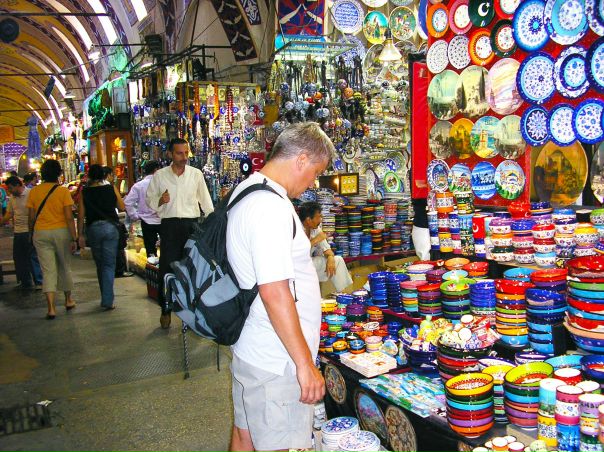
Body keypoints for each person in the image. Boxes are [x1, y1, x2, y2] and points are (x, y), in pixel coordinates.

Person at [226, 122, 333, 452]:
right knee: (276, 444)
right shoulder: (270, 207)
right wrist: (304, 364)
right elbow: (274, 291)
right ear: (301, 160)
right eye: (315, 172)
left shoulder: (247, 191)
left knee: (245, 436)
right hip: (277, 358)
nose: (312, 182)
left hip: (253, 347)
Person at [146, 138, 214, 329]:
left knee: (193, 269)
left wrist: (211, 224)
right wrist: (161, 200)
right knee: (167, 268)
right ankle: (166, 308)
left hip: (191, 226)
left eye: (186, 153)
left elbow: (206, 202)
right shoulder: (160, 176)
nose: (184, 157)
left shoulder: (195, 174)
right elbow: (150, 200)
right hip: (169, 226)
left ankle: (194, 312)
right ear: (170, 154)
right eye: (179, 153)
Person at [27, 160, 77, 319]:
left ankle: (51, 308)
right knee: (64, 266)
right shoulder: (63, 191)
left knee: (48, 270)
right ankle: (68, 300)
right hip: (61, 232)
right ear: (58, 173)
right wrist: (74, 237)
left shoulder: (34, 192)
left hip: (41, 233)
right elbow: (69, 217)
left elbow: (31, 217)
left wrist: (31, 233)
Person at [77, 164, 125, 310]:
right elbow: (122, 206)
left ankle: (105, 296)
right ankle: (107, 300)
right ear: (104, 175)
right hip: (110, 228)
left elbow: (81, 215)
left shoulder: (85, 192)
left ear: (89, 176)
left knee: (100, 264)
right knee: (109, 264)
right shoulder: (110, 188)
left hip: (93, 229)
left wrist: (80, 235)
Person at [298, 201, 353, 292]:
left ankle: (344, 293)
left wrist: (330, 258)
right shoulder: (296, 230)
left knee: (337, 260)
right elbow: (297, 252)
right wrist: (315, 240)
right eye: (319, 217)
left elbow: (327, 249)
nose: (321, 220)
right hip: (296, 268)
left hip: (309, 264)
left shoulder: (316, 229)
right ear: (308, 220)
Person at [2, 176, 43, 289]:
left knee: (32, 256)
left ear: (17, 185)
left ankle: (39, 281)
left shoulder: (31, 194)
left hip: (29, 230)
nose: (9, 191)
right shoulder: (12, 198)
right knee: (19, 257)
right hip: (18, 231)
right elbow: (9, 213)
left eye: (10, 188)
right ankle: (25, 281)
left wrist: (32, 230)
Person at [124, 161, 161, 264]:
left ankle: (152, 269)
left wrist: (135, 216)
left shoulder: (139, 186)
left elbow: (128, 202)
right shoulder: (163, 184)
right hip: (163, 220)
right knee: (166, 247)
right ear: (156, 170)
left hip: (146, 221)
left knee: (151, 250)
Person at [104, 166, 133, 278]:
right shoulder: (110, 188)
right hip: (111, 222)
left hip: (94, 225)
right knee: (117, 246)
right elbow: (121, 206)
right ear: (108, 176)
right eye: (112, 175)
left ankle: (106, 271)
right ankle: (119, 270)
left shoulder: (88, 189)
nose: (114, 177)